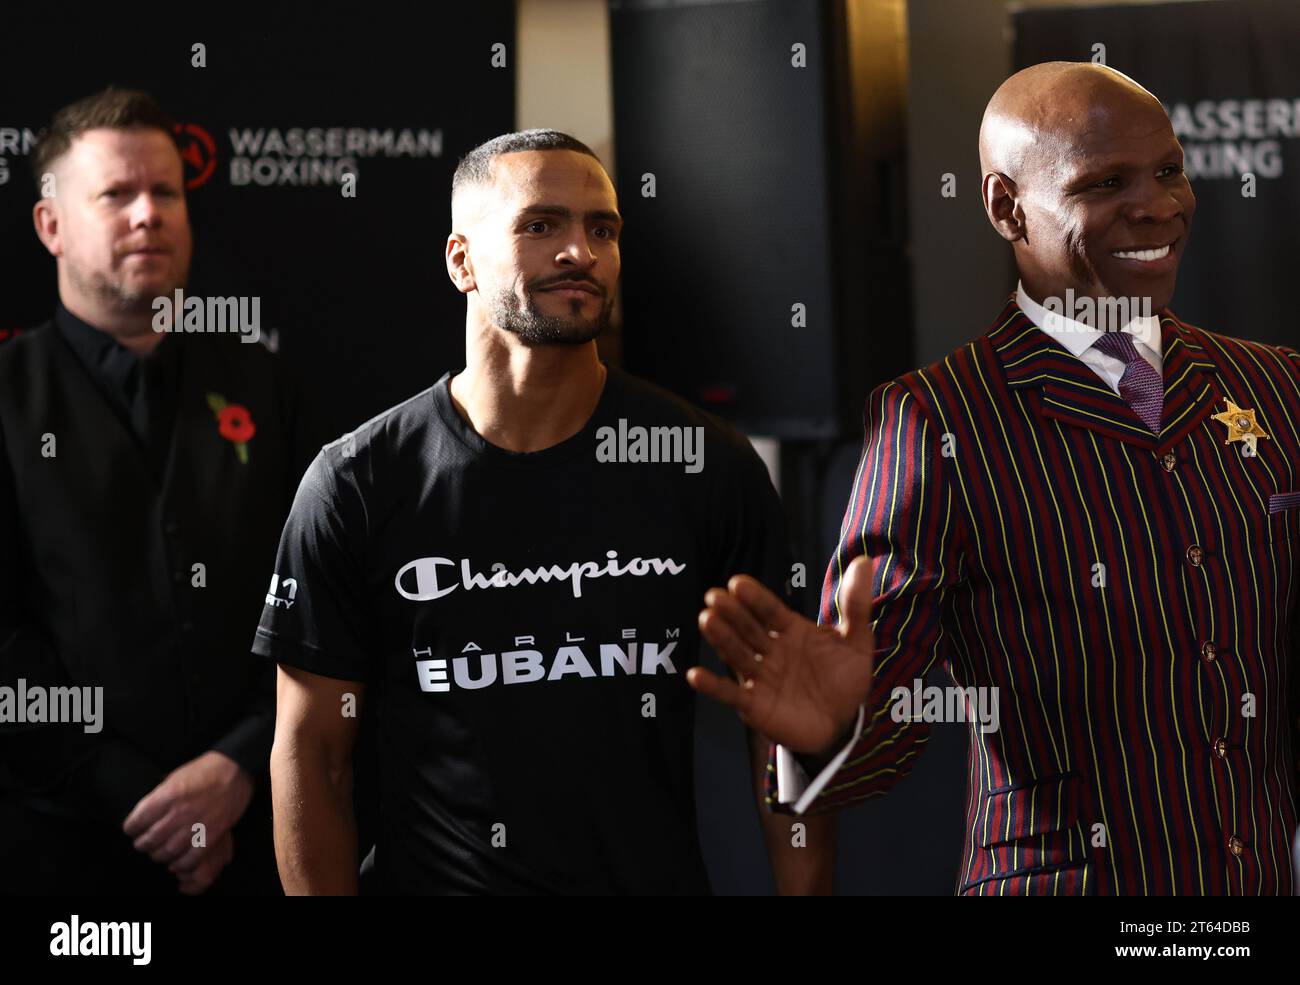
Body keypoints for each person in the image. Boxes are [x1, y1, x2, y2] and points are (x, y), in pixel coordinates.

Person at [689, 62, 1300, 895]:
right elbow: (877, 725)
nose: (1158, 203)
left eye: (1168, 170)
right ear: (1006, 207)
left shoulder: (1274, 385)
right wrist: (826, 737)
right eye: (1106, 181)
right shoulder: (933, 419)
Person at [258, 129, 833, 895]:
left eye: (603, 229)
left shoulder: (704, 465)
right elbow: (312, 757)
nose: (580, 253)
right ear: (462, 260)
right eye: (541, 225)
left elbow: (783, 735)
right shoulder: (356, 483)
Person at [0, 87, 311, 894]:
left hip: (263, 830)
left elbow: (323, 599)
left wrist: (239, 763)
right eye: (116, 194)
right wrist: (144, 798)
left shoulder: (268, 385)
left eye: (166, 192)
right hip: (62, 853)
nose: (149, 214)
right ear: (51, 226)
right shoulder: (5, 398)